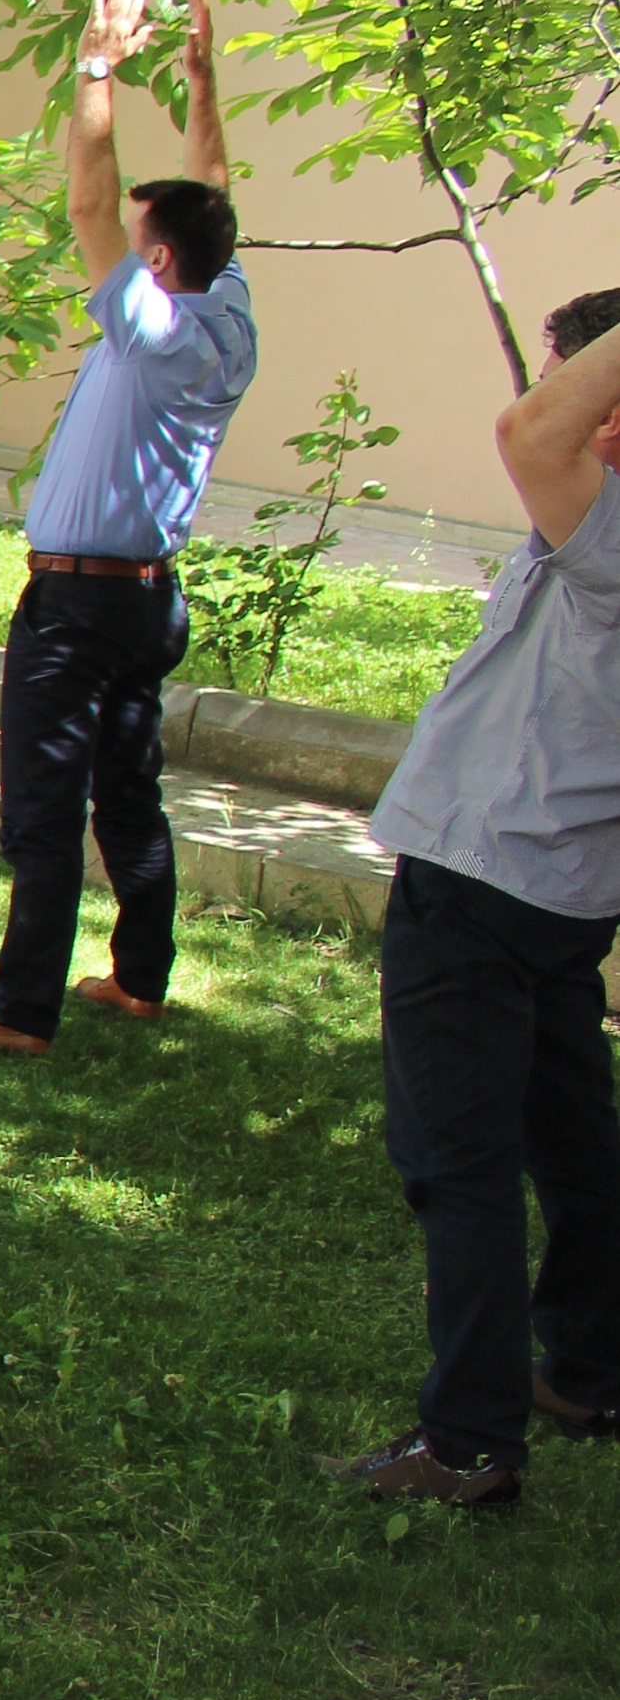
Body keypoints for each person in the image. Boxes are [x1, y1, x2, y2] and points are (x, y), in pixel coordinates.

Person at [0, 0, 253, 1055]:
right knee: (128, 790)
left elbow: (90, 208)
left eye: (137, 245)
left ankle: (17, 1014)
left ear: (154, 267)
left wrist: (98, 72)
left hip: (78, 605)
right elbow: (214, 194)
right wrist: (202, 86)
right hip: (145, 602)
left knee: (46, 811)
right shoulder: (226, 306)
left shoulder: (153, 330)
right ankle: (140, 978)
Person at [336, 288, 620, 1510]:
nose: (553, 403)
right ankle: (593, 1370)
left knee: (460, 1162)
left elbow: (529, 434)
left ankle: (469, 1442)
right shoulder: (591, 525)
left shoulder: (607, 527)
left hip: (489, 883)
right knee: (573, 1142)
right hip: (557, 890)